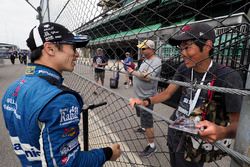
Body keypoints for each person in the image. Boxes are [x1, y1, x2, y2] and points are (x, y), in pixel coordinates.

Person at [1, 22, 121, 167]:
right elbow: (70, 164)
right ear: (50, 49)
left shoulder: (12, 89)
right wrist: (108, 153)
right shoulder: (60, 100)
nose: (76, 54)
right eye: (73, 47)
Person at [130, 23, 243, 166]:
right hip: (176, 129)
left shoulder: (227, 77)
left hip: (196, 142)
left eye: (187, 47)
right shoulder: (184, 67)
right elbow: (167, 93)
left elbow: (238, 125)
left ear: (208, 45)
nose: (182, 53)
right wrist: (145, 101)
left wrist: (223, 131)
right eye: (180, 48)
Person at [127, 39, 162, 157]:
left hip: (147, 97)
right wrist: (136, 71)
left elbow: (148, 77)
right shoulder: (145, 60)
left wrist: (132, 72)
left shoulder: (156, 61)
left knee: (148, 122)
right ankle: (143, 128)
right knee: (141, 116)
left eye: (143, 48)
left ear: (151, 49)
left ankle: (152, 146)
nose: (141, 50)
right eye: (141, 48)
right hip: (138, 95)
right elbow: (142, 73)